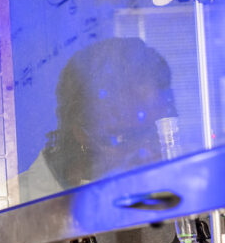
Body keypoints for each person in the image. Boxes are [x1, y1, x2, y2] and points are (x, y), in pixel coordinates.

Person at [17, 36, 177, 200]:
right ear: (81, 133)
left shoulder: (185, 196)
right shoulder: (11, 209)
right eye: (126, 138)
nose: (148, 155)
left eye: (155, 135)